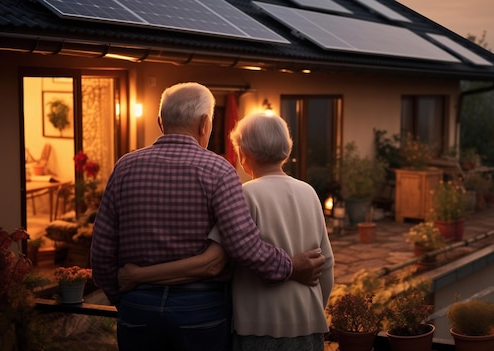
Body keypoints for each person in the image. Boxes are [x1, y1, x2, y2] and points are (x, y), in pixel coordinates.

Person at [90, 82, 325, 351]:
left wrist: (127, 299)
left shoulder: (124, 167)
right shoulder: (218, 171)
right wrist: (291, 266)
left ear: (160, 121)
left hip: (138, 307)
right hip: (200, 309)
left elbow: (101, 251)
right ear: (205, 124)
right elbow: (244, 247)